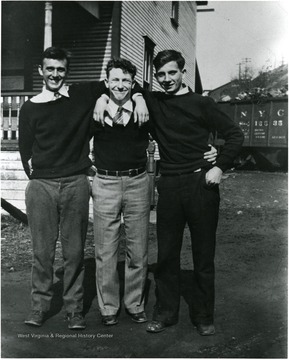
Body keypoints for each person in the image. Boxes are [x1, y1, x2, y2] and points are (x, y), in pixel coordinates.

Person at [95, 50, 244, 335]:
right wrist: (119, 97)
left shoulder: (203, 103)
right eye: (161, 75)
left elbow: (235, 134)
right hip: (170, 186)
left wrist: (220, 166)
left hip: (202, 184)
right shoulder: (154, 100)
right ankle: (166, 313)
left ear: (182, 73)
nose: (166, 79)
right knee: (167, 256)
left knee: (202, 256)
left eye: (172, 73)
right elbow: (125, 86)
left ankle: (203, 316)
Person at [18, 47, 147, 330]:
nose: (55, 74)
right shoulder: (29, 107)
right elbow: (24, 149)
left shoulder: (79, 95)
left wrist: (129, 96)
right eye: (49, 69)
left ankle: (74, 310)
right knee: (42, 252)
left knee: (74, 251)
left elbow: (119, 85)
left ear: (67, 72)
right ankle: (39, 307)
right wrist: (38, 177)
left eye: (60, 69)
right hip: (41, 185)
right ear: (41, 71)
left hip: (75, 182)